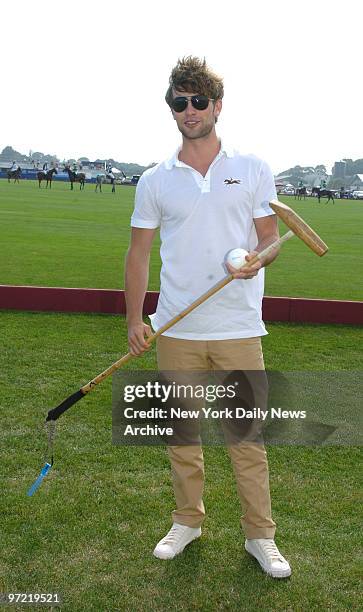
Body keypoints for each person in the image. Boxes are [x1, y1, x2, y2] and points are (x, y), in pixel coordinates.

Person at [125, 56, 291, 578]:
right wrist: (135, 319)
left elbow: (269, 240)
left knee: (246, 440)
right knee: (182, 435)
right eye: (181, 102)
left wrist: (258, 261)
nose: (190, 110)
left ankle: (260, 537)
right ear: (171, 109)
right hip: (176, 328)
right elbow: (137, 254)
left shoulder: (252, 167)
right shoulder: (155, 180)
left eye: (199, 101)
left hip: (239, 329)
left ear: (218, 106)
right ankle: (187, 520)